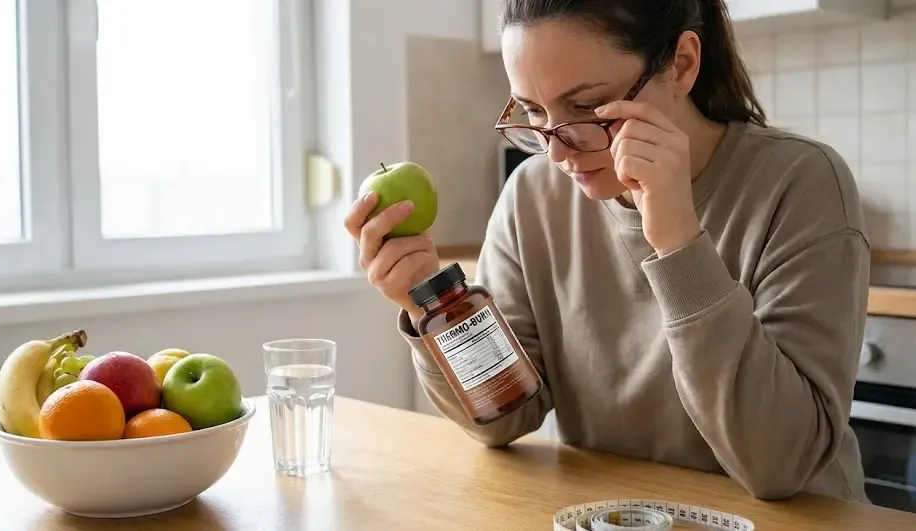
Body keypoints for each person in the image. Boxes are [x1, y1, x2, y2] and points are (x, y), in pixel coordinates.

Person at [343, 0, 870, 503]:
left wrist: (679, 242)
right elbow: (506, 418)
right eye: (533, 112)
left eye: (587, 108)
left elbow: (780, 464)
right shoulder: (532, 196)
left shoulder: (802, 183)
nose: (556, 150)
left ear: (682, 65)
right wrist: (432, 305)